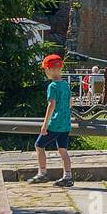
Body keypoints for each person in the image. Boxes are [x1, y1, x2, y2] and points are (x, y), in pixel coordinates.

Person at [29, 53, 74, 187]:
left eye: (45, 70)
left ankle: (42, 173)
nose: (45, 72)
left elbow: (51, 105)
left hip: (54, 123)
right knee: (63, 150)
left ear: (49, 69)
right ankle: (68, 176)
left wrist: (44, 125)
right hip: (66, 123)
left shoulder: (52, 86)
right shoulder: (65, 84)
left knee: (39, 145)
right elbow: (70, 103)